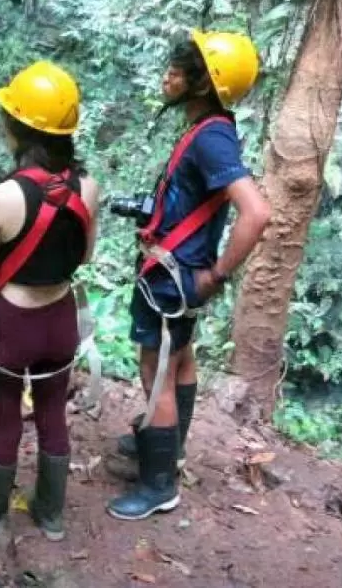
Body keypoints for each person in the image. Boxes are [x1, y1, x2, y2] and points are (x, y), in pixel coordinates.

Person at [107, 30, 271, 521]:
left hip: (173, 277)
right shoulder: (209, 129)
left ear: (202, 84)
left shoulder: (213, 138)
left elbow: (256, 213)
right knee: (178, 360)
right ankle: (168, 448)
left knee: (155, 368)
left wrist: (216, 275)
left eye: (176, 71)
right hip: (181, 270)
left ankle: (159, 486)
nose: (167, 77)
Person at [0, 60, 100, 542]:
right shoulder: (88, 188)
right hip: (61, 318)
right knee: (52, 414)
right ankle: (50, 514)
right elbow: (83, 255)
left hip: (14, 324)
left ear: (16, 128)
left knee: (5, 417)